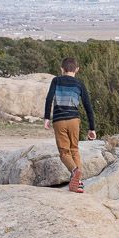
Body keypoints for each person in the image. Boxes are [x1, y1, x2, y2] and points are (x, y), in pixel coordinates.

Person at [44, 57, 96, 194]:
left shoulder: (56, 80)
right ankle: (78, 184)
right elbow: (88, 106)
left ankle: (74, 171)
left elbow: (49, 98)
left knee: (64, 152)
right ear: (77, 69)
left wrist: (46, 118)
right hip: (74, 120)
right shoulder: (79, 84)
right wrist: (92, 128)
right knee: (74, 149)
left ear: (62, 69)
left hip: (59, 120)